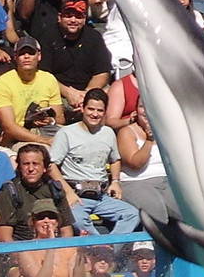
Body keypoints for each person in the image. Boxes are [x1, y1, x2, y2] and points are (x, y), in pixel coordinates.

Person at [47, 89, 140, 236]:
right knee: (78, 220)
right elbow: (51, 165)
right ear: (83, 108)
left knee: (132, 214)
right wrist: (68, 192)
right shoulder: (66, 133)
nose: (95, 114)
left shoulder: (108, 133)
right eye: (91, 109)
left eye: (100, 110)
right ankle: (100, 247)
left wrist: (115, 181)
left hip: (101, 195)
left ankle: (109, 247)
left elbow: (115, 159)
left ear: (105, 112)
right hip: (76, 194)